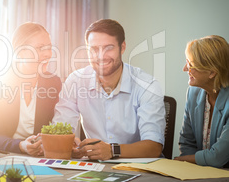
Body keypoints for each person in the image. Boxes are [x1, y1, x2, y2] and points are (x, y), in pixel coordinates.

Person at [52, 19, 166, 160]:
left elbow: (154, 147)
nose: (100, 56)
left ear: (122, 47)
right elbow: (60, 130)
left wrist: (112, 150)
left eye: (108, 48)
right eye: (93, 49)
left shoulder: (147, 85)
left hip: (140, 168)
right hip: (96, 167)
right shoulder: (75, 81)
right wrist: (68, 145)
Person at [0, 22, 62, 156]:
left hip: (38, 156)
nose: (48, 54)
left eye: (49, 47)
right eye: (40, 47)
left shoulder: (53, 83)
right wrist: (21, 146)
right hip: (1, 154)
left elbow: (54, 127)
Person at [174, 35, 229, 168]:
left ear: (212, 72)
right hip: (199, 175)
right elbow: (187, 142)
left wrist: (182, 160)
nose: (185, 69)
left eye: (191, 64)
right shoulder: (193, 93)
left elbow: (218, 157)